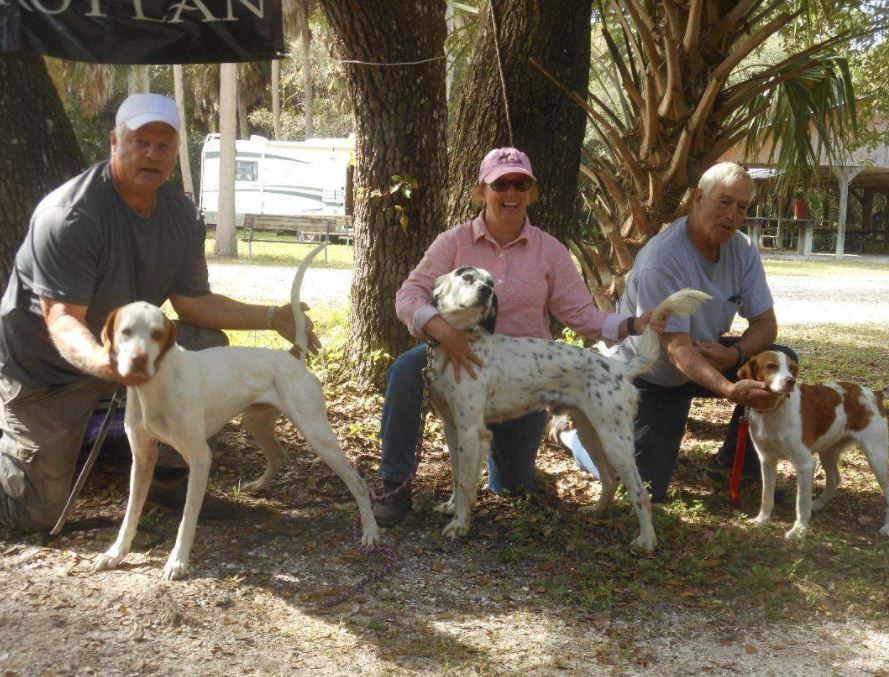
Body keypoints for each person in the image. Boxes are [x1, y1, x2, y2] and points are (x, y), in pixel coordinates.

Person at [0, 93, 316, 532]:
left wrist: (271, 316)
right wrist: (107, 364)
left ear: (175, 152)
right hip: (48, 369)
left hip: (131, 352)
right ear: (114, 142)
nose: (152, 153)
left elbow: (191, 303)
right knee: (33, 517)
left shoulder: (180, 215)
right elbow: (62, 319)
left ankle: (169, 476)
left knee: (205, 345)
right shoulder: (70, 216)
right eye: (140, 141)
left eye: (163, 144)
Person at [373, 147, 664, 526]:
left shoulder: (548, 250)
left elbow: (580, 314)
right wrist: (443, 330)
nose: (511, 192)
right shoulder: (453, 243)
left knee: (510, 485)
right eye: (501, 184)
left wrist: (632, 326)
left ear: (530, 192)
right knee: (406, 371)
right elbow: (407, 296)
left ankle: (539, 460)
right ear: (483, 191)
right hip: (457, 352)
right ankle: (395, 485)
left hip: (526, 375)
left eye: (520, 184)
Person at [555, 162, 797, 503]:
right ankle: (575, 438)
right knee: (643, 488)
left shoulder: (742, 249)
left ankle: (733, 468)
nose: (732, 215)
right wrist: (729, 388)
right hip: (647, 373)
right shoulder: (663, 257)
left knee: (781, 360)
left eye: (742, 207)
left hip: (704, 357)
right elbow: (677, 350)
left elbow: (766, 325)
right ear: (699, 198)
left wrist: (736, 354)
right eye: (724, 202)